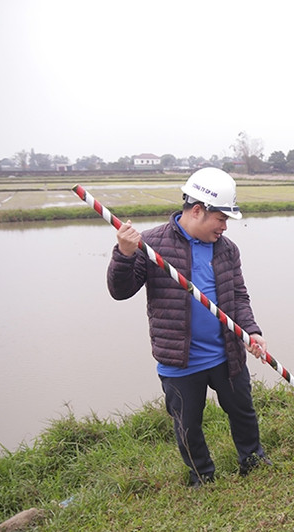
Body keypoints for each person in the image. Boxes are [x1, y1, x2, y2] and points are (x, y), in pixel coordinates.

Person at [107, 167, 271, 487]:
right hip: (180, 362)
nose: (225, 227)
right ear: (197, 210)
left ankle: (253, 461)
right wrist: (124, 254)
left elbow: (238, 296)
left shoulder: (227, 249)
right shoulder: (151, 245)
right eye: (220, 219)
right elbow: (120, 291)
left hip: (227, 355)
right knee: (187, 426)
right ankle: (202, 476)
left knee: (243, 412)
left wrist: (252, 331)